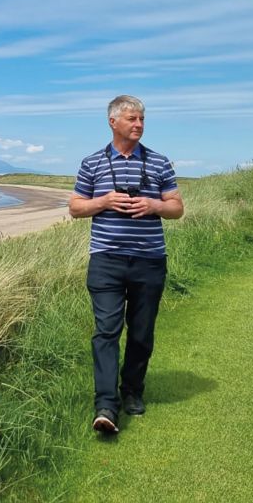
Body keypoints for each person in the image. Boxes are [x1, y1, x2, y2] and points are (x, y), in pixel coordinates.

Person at [68, 95, 184, 434]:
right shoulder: (92, 163)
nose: (139, 125)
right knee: (106, 331)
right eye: (132, 119)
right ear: (113, 122)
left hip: (150, 260)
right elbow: (75, 208)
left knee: (142, 333)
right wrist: (103, 201)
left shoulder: (159, 163)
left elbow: (177, 207)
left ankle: (132, 391)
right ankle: (106, 404)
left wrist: (154, 205)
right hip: (106, 260)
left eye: (142, 120)